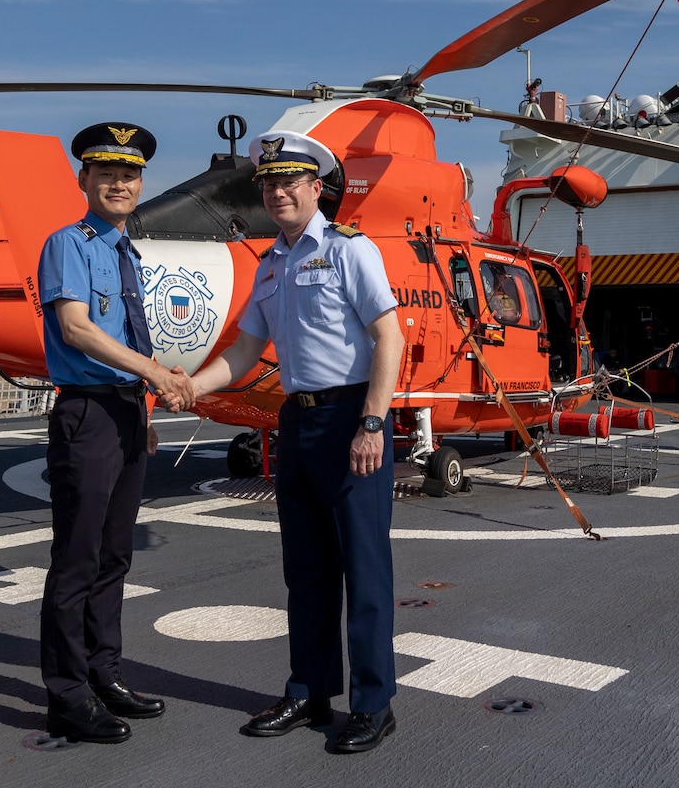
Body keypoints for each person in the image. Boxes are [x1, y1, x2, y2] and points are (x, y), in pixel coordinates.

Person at [189, 129, 404, 755]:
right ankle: (310, 690)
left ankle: (374, 703)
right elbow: (246, 351)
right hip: (296, 420)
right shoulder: (271, 264)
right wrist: (186, 388)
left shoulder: (348, 251)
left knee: (364, 569)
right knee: (305, 569)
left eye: (290, 181)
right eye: (269, 182)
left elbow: (388, 338)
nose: (278, 191)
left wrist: (371, 422)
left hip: (349, 418)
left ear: (317, 188)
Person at [35, 120, 195, 744]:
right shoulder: (68, 243)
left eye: (129, 175)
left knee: (115, 555)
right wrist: (157, 374)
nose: (120, 184)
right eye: (108, 174)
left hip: (126, 413)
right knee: (76, 559)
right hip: (87, 414)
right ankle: (68, 696)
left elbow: (127, 333)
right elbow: (76, 330)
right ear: (85, 180)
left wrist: (145, 410)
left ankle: (104, 674)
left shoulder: (125, 251)